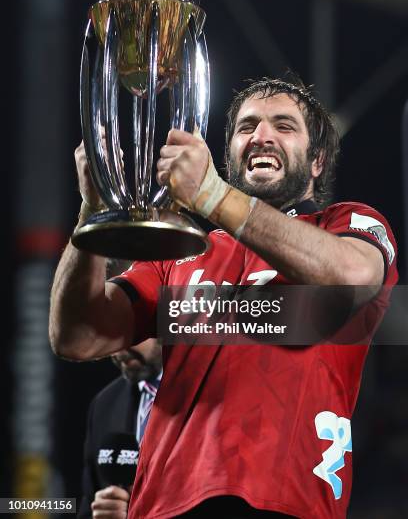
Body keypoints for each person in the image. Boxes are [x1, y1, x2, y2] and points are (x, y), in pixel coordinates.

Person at [50, 77, 398, 519]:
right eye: (246, 126)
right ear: (229, 151)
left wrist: (212, 195)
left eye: (284, 126)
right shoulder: (184, 251)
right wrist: (94, 216)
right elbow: (77, 336)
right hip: (160, 506)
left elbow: (350, 276)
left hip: (283, 501)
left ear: (318, 161)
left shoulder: (346, 224)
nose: (261, 136)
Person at [78, 339, 162, 519]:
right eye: (109, 338)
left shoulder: (217, 395)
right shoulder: (104, 404)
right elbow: (89, 504)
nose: (118, 352)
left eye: (127, 336)